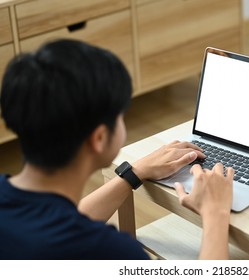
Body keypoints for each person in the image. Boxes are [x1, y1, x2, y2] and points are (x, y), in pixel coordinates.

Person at [0, 39, 234, 260]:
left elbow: (51, 225)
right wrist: (215, 214)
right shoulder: (111, 251)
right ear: (100, 137)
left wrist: (134, 172)